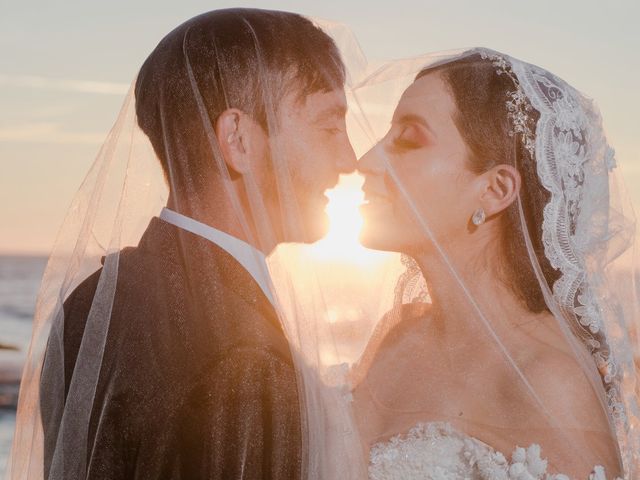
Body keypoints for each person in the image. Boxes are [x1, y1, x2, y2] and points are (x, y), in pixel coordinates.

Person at [6, 8, 356, 480]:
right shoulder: (248, 363)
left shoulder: (89, 302)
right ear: (238, 140)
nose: (350, 158)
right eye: (331, 127)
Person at [351, 49, 640, 479]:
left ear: (495, 189)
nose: (366, 160)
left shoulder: (550, 383)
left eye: (408, 138)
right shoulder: (398, 335)